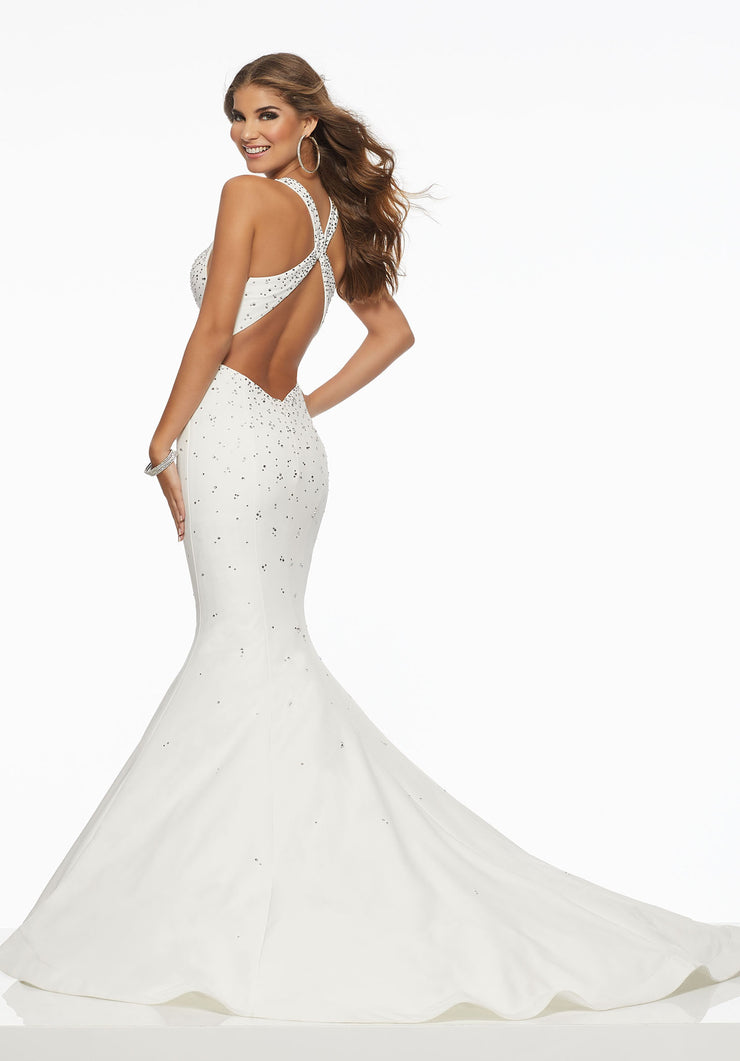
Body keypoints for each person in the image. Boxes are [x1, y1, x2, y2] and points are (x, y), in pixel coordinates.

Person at [0, 52, 738, 1025]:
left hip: (227, 437)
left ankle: (218, 910)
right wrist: (304, 406)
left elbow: (215, 330)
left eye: (266, 114)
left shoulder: (245, 197)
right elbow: (390, 334)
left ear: (307, 119)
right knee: (262, 654)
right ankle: (260, 886)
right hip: (289, 448)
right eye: (235, 117)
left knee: (235, 652)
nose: (245, 134)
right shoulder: (333, 220)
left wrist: (160, 442)